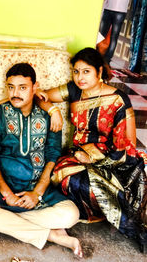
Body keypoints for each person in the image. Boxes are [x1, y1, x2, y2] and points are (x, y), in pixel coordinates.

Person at [0, 63, 82, 257]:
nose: (15, 93)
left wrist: (36, 194)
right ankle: (53, 235)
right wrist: (7, 194)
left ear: (35, 87)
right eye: (11, 87)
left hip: (37, 188)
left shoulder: (49, 117)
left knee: (71, 214)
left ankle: (3, 221)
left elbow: (53, 155)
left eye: (22, 87)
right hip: (3, 189)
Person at [40, 47, 147, 253]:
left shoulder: (118, 100)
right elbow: (41, 96)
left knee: (98, 185)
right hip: (77, 156)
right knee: (62, 175)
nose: (80, 77)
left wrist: (95, 159)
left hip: (113, 160)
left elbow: (126, 147)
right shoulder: (73, 90)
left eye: (86, 71)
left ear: (99, 72)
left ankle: (124, 222)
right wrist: (52, 110)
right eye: (76, 71)